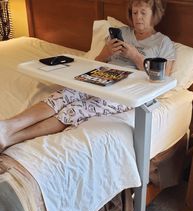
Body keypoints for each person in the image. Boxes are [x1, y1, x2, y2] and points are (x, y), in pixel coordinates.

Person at [0, 0, 175, 152]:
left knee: (75, 110)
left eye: (143, 12)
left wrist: (136, 57)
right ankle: (7, 126)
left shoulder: (163, 43)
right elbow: (97, 61)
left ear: (155, 14)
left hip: (126, 90)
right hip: (101, 76)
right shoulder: (123, 32)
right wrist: (107, 52)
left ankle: (11, 138)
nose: (138, 17)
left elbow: (162, 80)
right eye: (135, 12)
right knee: (61, 96)